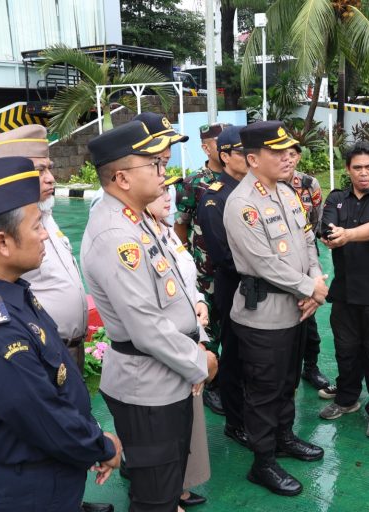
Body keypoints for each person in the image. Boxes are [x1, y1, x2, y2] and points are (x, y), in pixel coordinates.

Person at [0, 157, 123, 511]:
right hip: (34, 492)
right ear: (2, 242)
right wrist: (104, 447)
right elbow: (46, 419)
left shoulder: (1, 289)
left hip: (49, 478)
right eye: (36, 227)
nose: (45, 233)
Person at [82, 121, 217, 512]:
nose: (165, 172)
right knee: (155, 497)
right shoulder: (117, 236)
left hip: (164, 378)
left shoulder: (137, 217)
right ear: (122, 177)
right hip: (148, 386)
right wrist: (199, 361)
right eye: (155, 165)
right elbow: (146, 327)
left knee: (167, 481)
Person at [223, 121, 328, 496]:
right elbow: (265, 262)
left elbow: (307, 240)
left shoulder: (286, 192)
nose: (289, 157)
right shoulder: (242, 204)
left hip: (297, 308)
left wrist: (314, 282)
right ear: (252, 159)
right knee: (264, 391)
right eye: (278, 152)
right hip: (264, 315)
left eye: (290, 151)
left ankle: (284, 437)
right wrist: (311, 288)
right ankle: (262, 461)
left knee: (286, 382)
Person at [0, 125, 91, 373]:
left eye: (49, 168)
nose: (50, 178)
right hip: (32, 357)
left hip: (70, 351)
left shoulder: (45, 214)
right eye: (38, 170)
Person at [319, 142, 369, 438]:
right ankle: (347, 399)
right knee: (345, 351)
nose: (363, 173)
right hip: (343, 293)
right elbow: (326, 227)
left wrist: (346, 234)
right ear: (348, 170)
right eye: (357, 167)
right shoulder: (337, 198)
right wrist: (333, 235)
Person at [145, 175, 211, 510]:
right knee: (163, 428)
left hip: (190, 335)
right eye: (160, 194)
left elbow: (186, 280)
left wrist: (199, 302)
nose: (168, 199)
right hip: (169, 347)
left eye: (169, 192)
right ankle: (166, 496)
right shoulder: (141, 239)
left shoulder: (168, 232)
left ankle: (179, 487)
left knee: (186, 421)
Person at [196, 125, 249, 449]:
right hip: (235, 288)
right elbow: (223, 255)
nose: (250, 157)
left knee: (254, 357)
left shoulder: (256, 190)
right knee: (235, 354)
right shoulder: (217, 197)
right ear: (225, 155)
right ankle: (236, 421)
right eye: (242, 152)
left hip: (259, 288)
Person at [175, 122, 229, 415]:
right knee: (210, 330)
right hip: (204, 273)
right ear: (207, 147)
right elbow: (181, 226)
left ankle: (230, 378)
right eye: (220, 143)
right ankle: (213, 385)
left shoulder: (241, 177)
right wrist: (188, 263)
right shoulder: (193, 182)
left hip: (233, 269)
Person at [284, 145, 331, 392]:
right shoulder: (264, 186)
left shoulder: (309, 184)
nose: (288, 159)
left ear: (299, 156)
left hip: (306, 257)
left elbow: (315, 221)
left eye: (292, 154)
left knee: (309, 319)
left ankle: (310, 367)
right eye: (283, 154)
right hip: (280, 265)